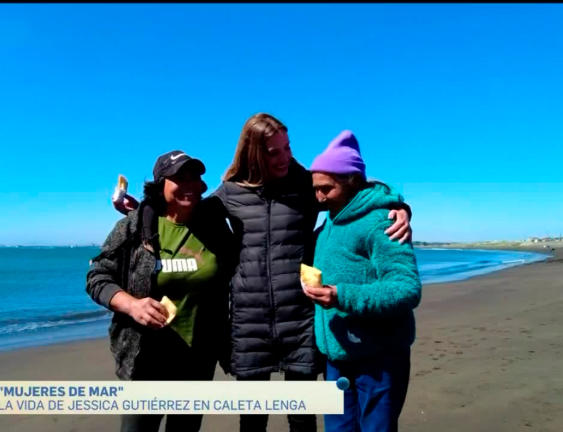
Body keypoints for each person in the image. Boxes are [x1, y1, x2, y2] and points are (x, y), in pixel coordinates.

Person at [110, 113, 414, 432]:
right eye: (273, 152)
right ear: (253, 152)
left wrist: (397, 207)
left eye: (287, 147)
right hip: (249, 321)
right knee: (252, 420)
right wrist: (145, 208)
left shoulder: (304, 185)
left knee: (302, 417)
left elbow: (354, 192)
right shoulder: (230, 191)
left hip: (300, 318)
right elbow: (186, 209)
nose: (285, 157)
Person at [86, 150, 235, 432]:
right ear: (160, 184)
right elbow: (97, 276)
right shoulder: (134, 226)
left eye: (195, 177)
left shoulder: (215, 227)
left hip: (198, 359)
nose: (190, 184)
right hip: (147, 359)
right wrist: (132, 305)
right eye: (180, 178)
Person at [301, 130, 422, 432]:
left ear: (352, 180)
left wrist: (341, 295)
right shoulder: (328, 222)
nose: (318, 197)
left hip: (378, 360)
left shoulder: (382, 222)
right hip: (336, 358)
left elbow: (407, 289)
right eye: (315, 188)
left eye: (325, 189)